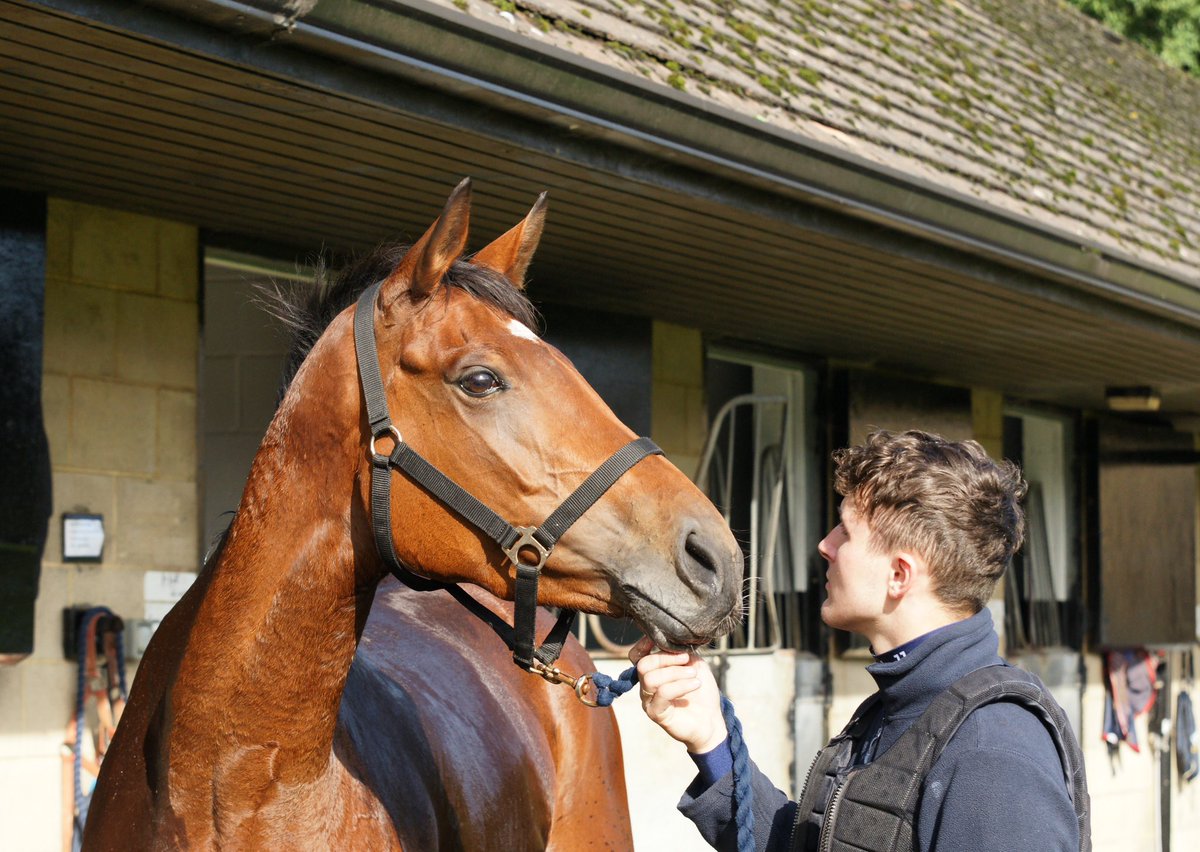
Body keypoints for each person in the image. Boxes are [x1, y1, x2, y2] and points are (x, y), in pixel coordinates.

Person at [632, 429, 1088, 851]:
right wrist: (711, 737)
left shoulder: (993, 754)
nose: (825, 545)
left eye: (846, 531)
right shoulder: (900, 705)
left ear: (898, 575)